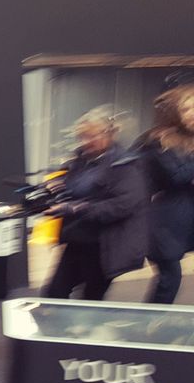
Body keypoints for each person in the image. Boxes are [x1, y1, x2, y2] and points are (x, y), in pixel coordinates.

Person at [41, 106, 147, 300]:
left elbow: (124, 204)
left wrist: (78, 208)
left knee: (91, 299)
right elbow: (75, 189)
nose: (85, 142)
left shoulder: (126, 165)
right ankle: (63, 329)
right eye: (81, 137)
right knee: (54, 293)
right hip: (78, 238)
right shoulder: (80, 161)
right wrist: (59, 188)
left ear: (109, 134)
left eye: (91, 136)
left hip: (105, 244)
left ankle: (84, 329)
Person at [139, 85, 194, 303]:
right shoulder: (158, 140)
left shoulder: (189, 142)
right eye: (187, 109)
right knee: (170, 277)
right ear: (173, 113)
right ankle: (149, 322)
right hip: (164, 220)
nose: (193, 114)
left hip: (185, 216)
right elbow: (176, 176)